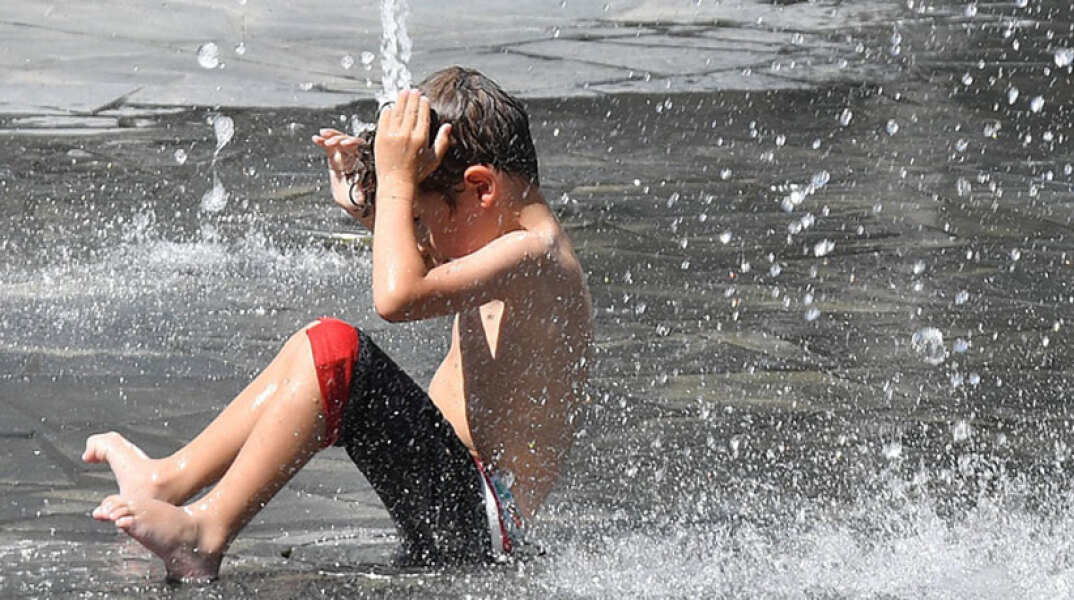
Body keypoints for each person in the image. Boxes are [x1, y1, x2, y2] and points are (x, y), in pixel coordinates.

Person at [82, 66, 593, 581]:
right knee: (313, 346)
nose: (422, 235)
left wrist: (397, 182)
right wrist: (378, 199)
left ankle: (206, 532)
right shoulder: (505, 238)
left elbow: (399, 295)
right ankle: (167, 480)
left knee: (337, 353)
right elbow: (424, 264)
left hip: (486, 521)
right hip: (464, 501)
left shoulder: (537, 254)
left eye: (424, 216)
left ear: (481, 188)